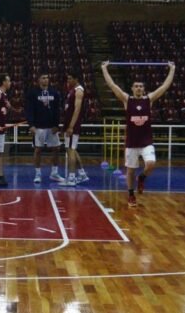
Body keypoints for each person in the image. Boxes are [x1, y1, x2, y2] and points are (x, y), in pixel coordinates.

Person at [102, 62, 176, 207]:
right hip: (131, 142)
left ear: (144, 89)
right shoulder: (127, 99)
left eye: (141, 86)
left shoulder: (149, 99)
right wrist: (104, 69)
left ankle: (142, 178)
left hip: (146, 141)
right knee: (130, 171)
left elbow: (164, 86)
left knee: (151, 164)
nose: (139, 88)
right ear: (132, 88)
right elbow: (112, 86)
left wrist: (172, 69)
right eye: (136, 86)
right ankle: (131, 194)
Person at [25, 72, 64, 184]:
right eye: (43, 78)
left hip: (51, 126)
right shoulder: (33, 93)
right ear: (38, 80)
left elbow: (57, 110)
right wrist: (31, 124)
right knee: (38, 150)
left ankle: (54, 173)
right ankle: (38, 174)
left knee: (56, 149)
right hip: (39, 126)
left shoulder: (54, 92)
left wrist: (57, 125)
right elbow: (29, 109)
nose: (46, 80)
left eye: (47, 77)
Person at [60, 72, 91, 186]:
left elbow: (77, 110)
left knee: (70, 150)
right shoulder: (72, 90)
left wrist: (71, 127)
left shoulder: (79, 90)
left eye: (70, 79)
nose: (68, 81)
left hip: (73, 125)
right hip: (68, 123)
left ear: (76, 79)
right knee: (72, 149)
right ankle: (82, 174)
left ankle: (72, 178)